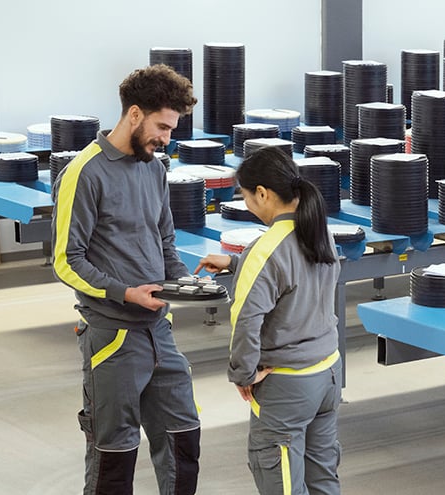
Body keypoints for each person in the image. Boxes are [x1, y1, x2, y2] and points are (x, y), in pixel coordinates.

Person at [51, 64, 200, 495]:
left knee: (183, 440)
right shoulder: (85, 172)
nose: (166, 138)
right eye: (162, 126)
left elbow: (165, 241)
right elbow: (66, 261)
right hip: (112, 338)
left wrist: (185, 282)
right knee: (114, 456)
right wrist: (125, 293)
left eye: (172, 129)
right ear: (134, 115)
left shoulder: (155, 168)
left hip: (160, 332)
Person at [195, 146, 342, 495]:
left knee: (282, 484)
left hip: (287, 387)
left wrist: (243, 374)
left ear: (262, 193)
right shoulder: (320, 231)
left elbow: (246, 321)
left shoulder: (266, 250)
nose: (247, 204)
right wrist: (235, 263)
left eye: (245, 197)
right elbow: (293, 274)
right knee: (323, 481)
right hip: (327, 374)